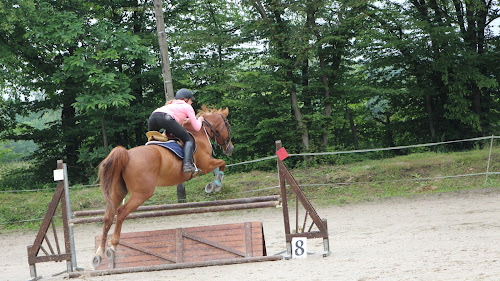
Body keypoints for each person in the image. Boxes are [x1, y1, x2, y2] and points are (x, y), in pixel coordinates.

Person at [148, 88, 204, 173]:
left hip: (153, 117)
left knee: (153, 140)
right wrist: (199, 120)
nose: (192, 102)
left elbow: (176, 121)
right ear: (186, 100)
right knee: (188, 140)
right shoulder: (187, 106)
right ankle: (187, 165)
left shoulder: (169, 105)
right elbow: (196, 128)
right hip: (166, 118)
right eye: (191, 100)